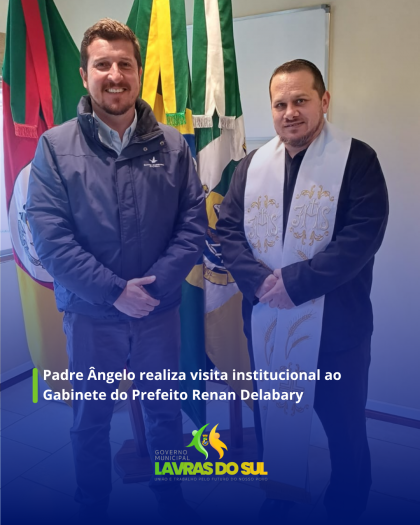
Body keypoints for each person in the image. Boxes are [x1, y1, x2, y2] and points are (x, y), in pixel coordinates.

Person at [26, 18, 206, 523]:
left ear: (139, 72)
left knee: (165, 413)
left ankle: (171, 498)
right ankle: (92, 506)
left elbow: (193, 223)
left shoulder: (173, 145)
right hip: (91, 316)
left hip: (157, 313)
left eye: (124, 64)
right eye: (102, 64)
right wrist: (114, 292)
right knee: (91, 421)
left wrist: (153, 288)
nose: (114, 74)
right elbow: (50, 237)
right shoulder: (54, 147)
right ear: (85, 74)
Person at [217, 59, 388, 524]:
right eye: (280, 104)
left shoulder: (358, 160)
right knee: (272, 419)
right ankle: (281, 493)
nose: (289, 112)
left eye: (300, 100)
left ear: (324, 101)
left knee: (345, 429)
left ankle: (348, 503)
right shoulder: (251, 166)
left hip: (338, 331)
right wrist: (258, 282)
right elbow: (227, 230)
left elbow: (362, 236)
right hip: (267, 322)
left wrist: (294, 284)